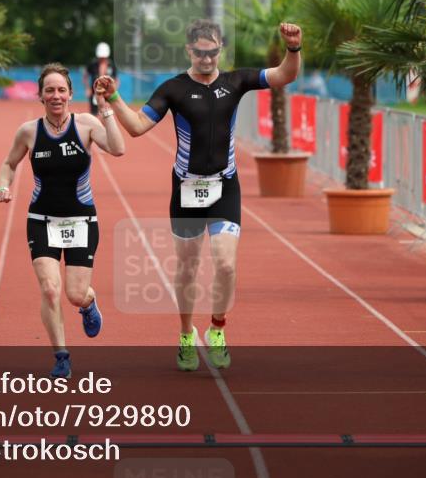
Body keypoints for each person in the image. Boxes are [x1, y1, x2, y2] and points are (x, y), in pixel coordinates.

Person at [94, 19, 302, 371]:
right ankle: (186, 333)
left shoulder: (236, 81)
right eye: (200, 52)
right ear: (189, 50)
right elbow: (137, 127)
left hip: (225, 186)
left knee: (225, 262)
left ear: (221, 49)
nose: (207, 58)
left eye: (213, 51)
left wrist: (293, 47)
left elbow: (284, 75)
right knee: (188, 268)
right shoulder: (173, 89)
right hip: (186, 188)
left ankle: (217, 328)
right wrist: (113, 97)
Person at [0, 63, 125, 378]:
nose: (56, 96)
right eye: (49, 90)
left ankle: (88, 304)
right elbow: (8, 163)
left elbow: (118, 149)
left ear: (70, 93)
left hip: (81, 220)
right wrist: (3, 185)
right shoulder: (28, 131)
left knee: (74, 293)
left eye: (61, 90)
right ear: (40, 95)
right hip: (42, 219)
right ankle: (61, 355)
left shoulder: (86, 124)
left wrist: (105, 107)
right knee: (50, 289)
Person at [85, 42, 118, 115]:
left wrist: (114, 91)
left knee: (107, 113)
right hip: (94, 92)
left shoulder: (112, 65)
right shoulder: (92, 64)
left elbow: (116, 80)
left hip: (108, 93)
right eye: (101, 57)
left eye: (104, 57)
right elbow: (85, 76)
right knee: (94, 114)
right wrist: (87, 88)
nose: (102, 58)